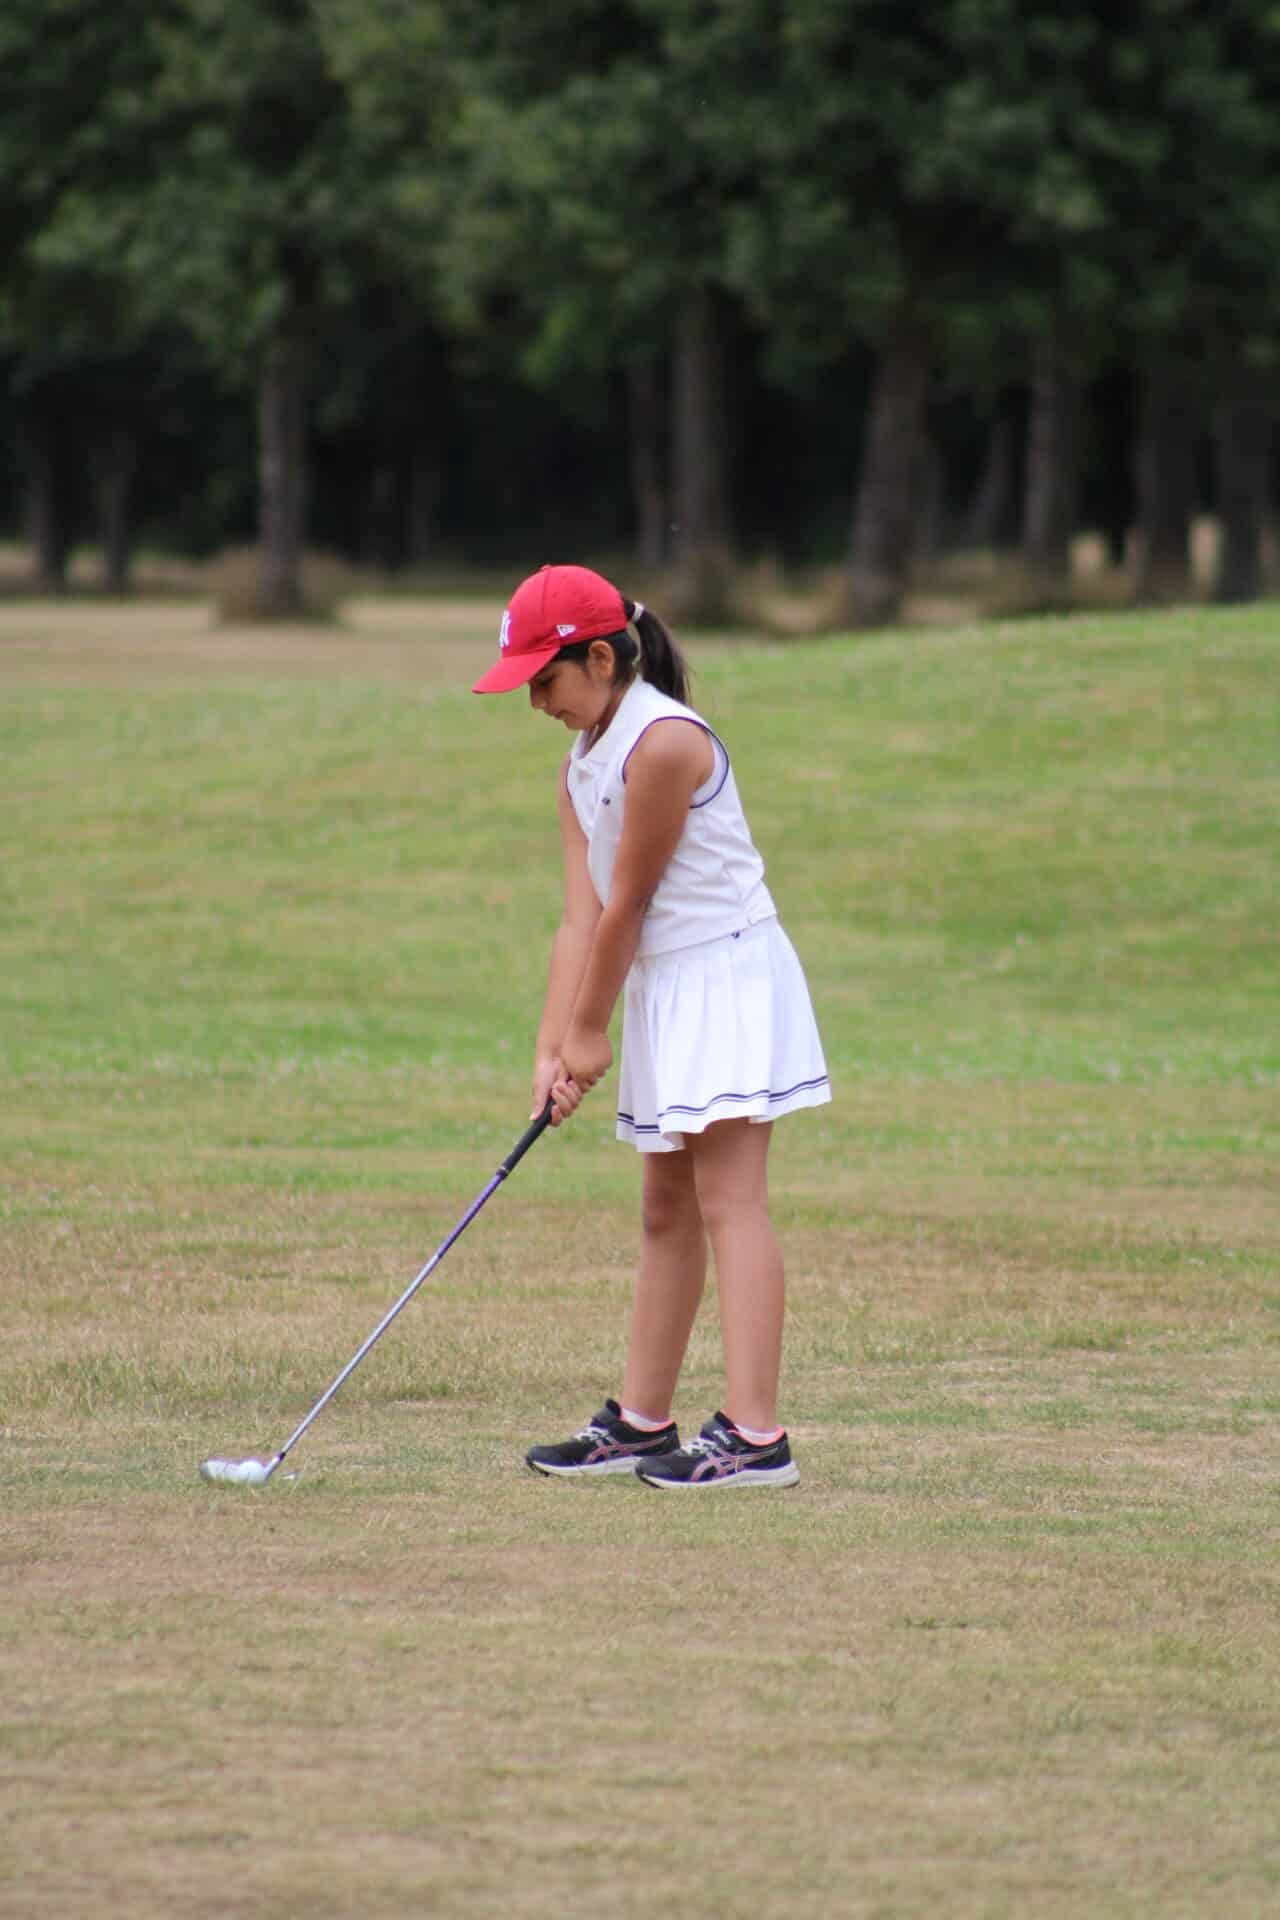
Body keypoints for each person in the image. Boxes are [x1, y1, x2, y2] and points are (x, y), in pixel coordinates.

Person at [472, 564, 830, 1489]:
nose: (537, 703)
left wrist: (591, 1038)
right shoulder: (579, 762)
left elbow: (630, 903)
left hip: (727, 976)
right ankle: (640, 1421)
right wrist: (551, 1048)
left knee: (729, 1200)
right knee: (665, 1207)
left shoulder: (664, 742)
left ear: (601, 659)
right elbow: (580, 918)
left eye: (544, 680)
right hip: (664, 985)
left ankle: (757, 1437)